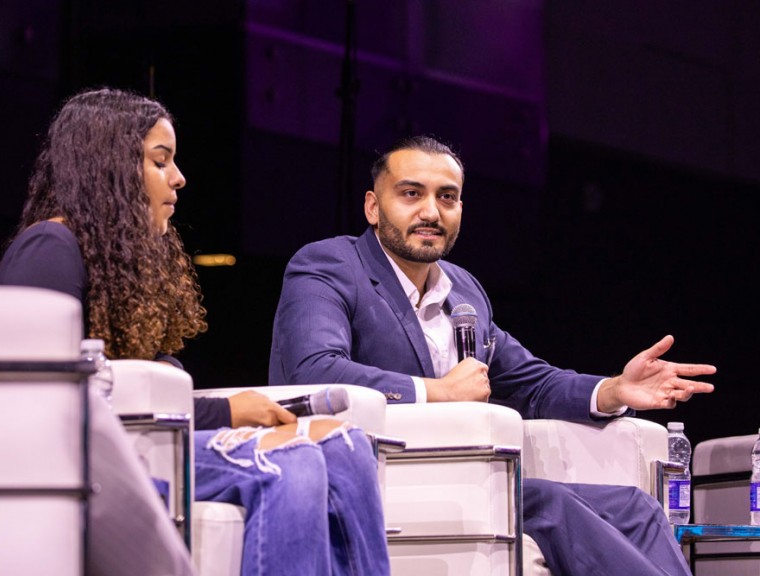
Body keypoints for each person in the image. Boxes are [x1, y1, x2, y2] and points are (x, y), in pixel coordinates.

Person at [269, 135, 717, 575]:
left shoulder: (463, 291)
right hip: (367, 474)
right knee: (551, 504)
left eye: (447, 197)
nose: (430, 212)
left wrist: (613, 389)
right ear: (373, 206)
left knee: (634, 506)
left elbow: (532, 383)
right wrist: (437, 392)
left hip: (461, 476)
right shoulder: (328, 266)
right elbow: (314, 372)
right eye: (411, 194)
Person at [0, 88, 389, 576]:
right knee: (297, 460)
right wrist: (225, 411)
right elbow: (46, 406)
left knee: (345, 445)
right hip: (91, 461)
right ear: (109, 169)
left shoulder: (111, 259)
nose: (179, 178)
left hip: (145, 442)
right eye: (160, 162)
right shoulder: (49, 248)